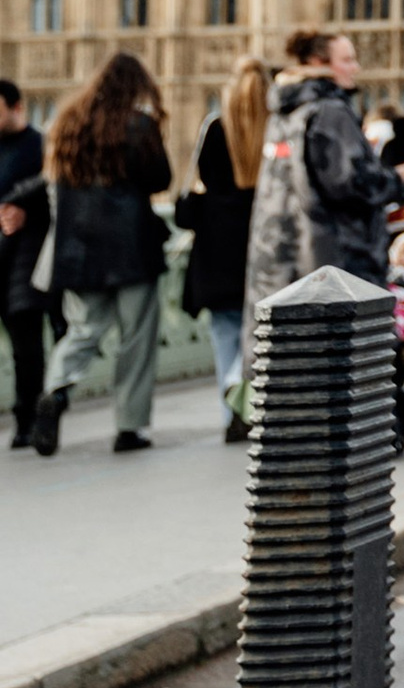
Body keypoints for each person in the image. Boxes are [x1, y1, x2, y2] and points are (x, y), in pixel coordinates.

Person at [30, 50, 174, 457]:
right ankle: (129, 427)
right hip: (131, 247)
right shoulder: (138, 125)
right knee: (136, 337)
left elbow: (52, 184)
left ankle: (56, 392)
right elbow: (160, 178)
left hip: (78, 247)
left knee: (84, 329)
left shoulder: (67, 123)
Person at [245, 28, 396, 310]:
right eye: (348, 60)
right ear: (318, 63)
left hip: (281, 266)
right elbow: (353, 184)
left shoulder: (283, 112)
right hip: (332, 269)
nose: (356, 68)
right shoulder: (330, 111)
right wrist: (395, 179)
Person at [176, 56, 266, 439]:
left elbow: (191, 192)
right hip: (259, 247)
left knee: (225, 335)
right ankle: (247, 395)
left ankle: (230, 409)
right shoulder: (276, 129)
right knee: (263, 333)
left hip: (215, 249)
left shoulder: (213, 127)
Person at [0, 77, 53, 448]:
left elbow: (52, 191)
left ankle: (27, 418)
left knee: (26, 344)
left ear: (17, 107)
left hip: (26, 257)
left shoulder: (39, 145)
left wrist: (23, 209)